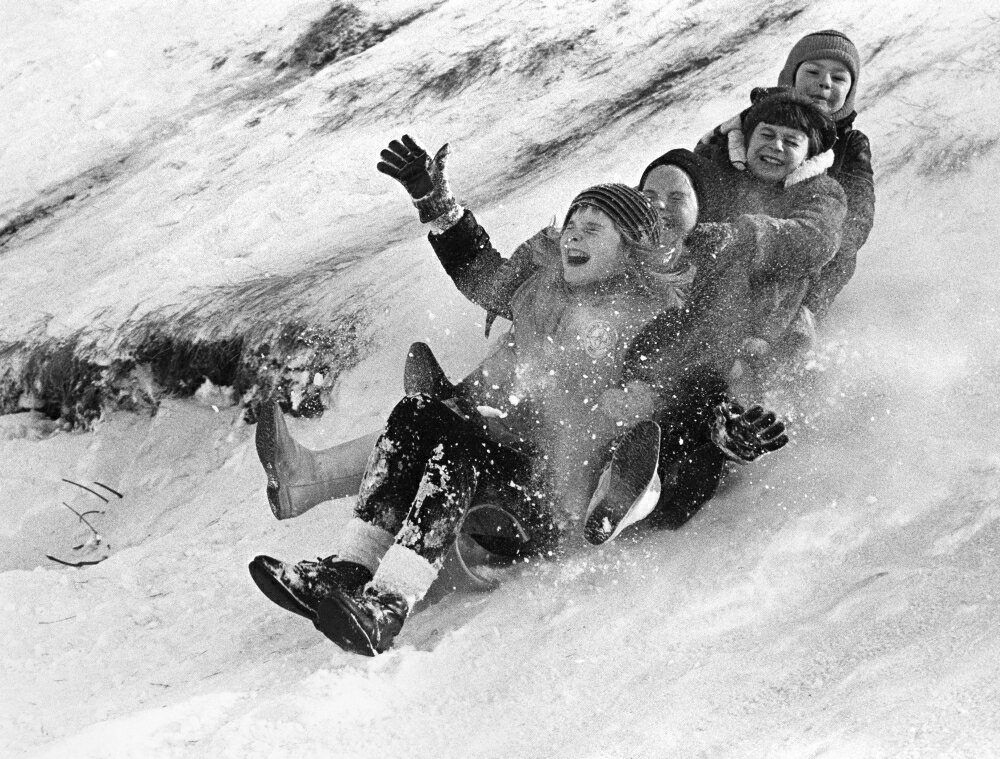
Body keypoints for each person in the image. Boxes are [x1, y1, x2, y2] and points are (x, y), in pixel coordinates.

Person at [696, 29, 874, 327]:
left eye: (839, 78)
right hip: (725, 247)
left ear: (850, 91)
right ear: (790, 76)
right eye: (813, 71)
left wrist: (811, 304)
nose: (824, 83)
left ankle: (798, 326)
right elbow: (697, 174)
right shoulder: (748, 126)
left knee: (839, 243)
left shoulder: (849, 144)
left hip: (805, 257)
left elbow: (856, 219)